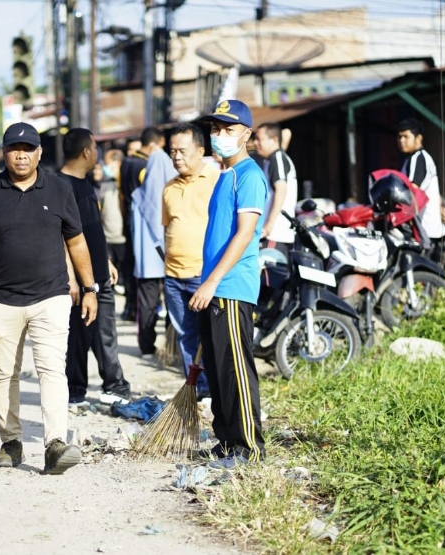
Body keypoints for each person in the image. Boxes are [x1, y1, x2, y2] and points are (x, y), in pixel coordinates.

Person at [0, 122, 99, 475]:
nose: (21, 155)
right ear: (4, 153)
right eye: (14, 148)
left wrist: (90, 287)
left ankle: (54, 444)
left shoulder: (60, 189)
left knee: (52, 368)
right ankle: (11, 442)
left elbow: (76, 241)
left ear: (39, 153)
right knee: (6, 372)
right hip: (1, 300)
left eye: (28, 148)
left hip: (51, 296)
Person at [190, 99, 268, 469]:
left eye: (228, 130)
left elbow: (245, 234)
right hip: (214, 287)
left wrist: (214, 281)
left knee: (236, 369)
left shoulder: (250, 175)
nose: (219, 136)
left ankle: (249, 447)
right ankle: (226, 444)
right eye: (215, 130)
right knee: (219, 371)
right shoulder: (224, 175)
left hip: (232, 287)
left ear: (247, 135)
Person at [60, 128, 132, 407]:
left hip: (100, 273)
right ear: (86, 153)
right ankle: (76, 390)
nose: (97, 155)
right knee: (79, 336)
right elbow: (62, 238)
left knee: (105, 332)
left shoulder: (86, 184)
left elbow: (91, 231)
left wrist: (107, 261)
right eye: (95, 149)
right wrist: (72, 278)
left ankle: (114, 385)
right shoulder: (61, 186)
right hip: (79, 280)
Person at [163, 123, 218, 397]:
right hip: (173, 276)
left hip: (202, 275)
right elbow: (168, 227)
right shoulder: (169, 188)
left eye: (182, 151)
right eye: (172, 152)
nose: (176, 157)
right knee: (186, 335)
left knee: (209, 336)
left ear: (200, 151)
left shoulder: (215, 180)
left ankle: (213, 390)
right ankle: (195, 390)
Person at [132, 127, 176, 359]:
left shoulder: (137, 197)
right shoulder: (174, 195)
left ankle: (147, 346)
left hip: (147, 260)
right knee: (172, 303)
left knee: (148, 303)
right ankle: (172, 347)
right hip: (170, 256)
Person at [397, 118, 445, 242]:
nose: (401, 141)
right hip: (427, 228)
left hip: (424, 229)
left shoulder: (418, 158)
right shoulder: (413, 159)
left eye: (406, 137)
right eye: (399, 137)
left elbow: (413, 191)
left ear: (418, 138)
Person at [252, 123, 298, 256]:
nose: (255, 143)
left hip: (276, 234)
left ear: (274, 140)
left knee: (268, 276)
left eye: (259, 139)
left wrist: (269, 225)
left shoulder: (277, 158)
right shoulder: (270, 160)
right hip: (271, 234)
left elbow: (281, 190)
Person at [118, 140, 149, 321]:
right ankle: (135, 307)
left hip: (129, 220)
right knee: (138, 267)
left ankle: (130, 306)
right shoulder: (144, 165)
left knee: (129, 266)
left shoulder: (124, 165)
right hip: (140, 222)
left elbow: (122, 195)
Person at [99, 149, 128, 293]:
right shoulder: (105, 185)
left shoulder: (126, 183)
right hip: (108, 237)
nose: (105, 167)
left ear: (117, 163)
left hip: (123, 238)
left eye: (108, 163)